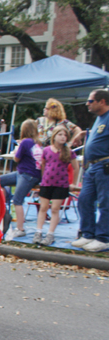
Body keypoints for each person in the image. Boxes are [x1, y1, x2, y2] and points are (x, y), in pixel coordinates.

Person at [72, 89, 109, 252]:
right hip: (92, 167)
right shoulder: (99, 119)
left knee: (105, 202)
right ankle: (88, 234)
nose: (87, 104)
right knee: (84, 199)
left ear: (102, 102)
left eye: (90, 101)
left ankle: (103, 238)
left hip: (104, 165)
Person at [33, 125, 79, 246]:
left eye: (65, 135)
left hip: (61, 184)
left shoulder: (69, 152)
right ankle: (38, 231)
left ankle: (50, 233)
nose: (63, 137)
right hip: (47, 183)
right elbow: (43, 164)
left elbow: (76, 167)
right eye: (60, 135)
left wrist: (73, 182)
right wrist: (43, 179)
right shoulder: (47, 150)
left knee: (55, 209)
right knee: (43, 207)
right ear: (54, 136)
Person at [1, 119, 43, 240]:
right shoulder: (37, 143)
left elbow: (16, 158)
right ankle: (4, 206)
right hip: (27, 173)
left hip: (27, 174)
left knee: (17, 200)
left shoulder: (25, 142)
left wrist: (17, 149)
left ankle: (20, 228)